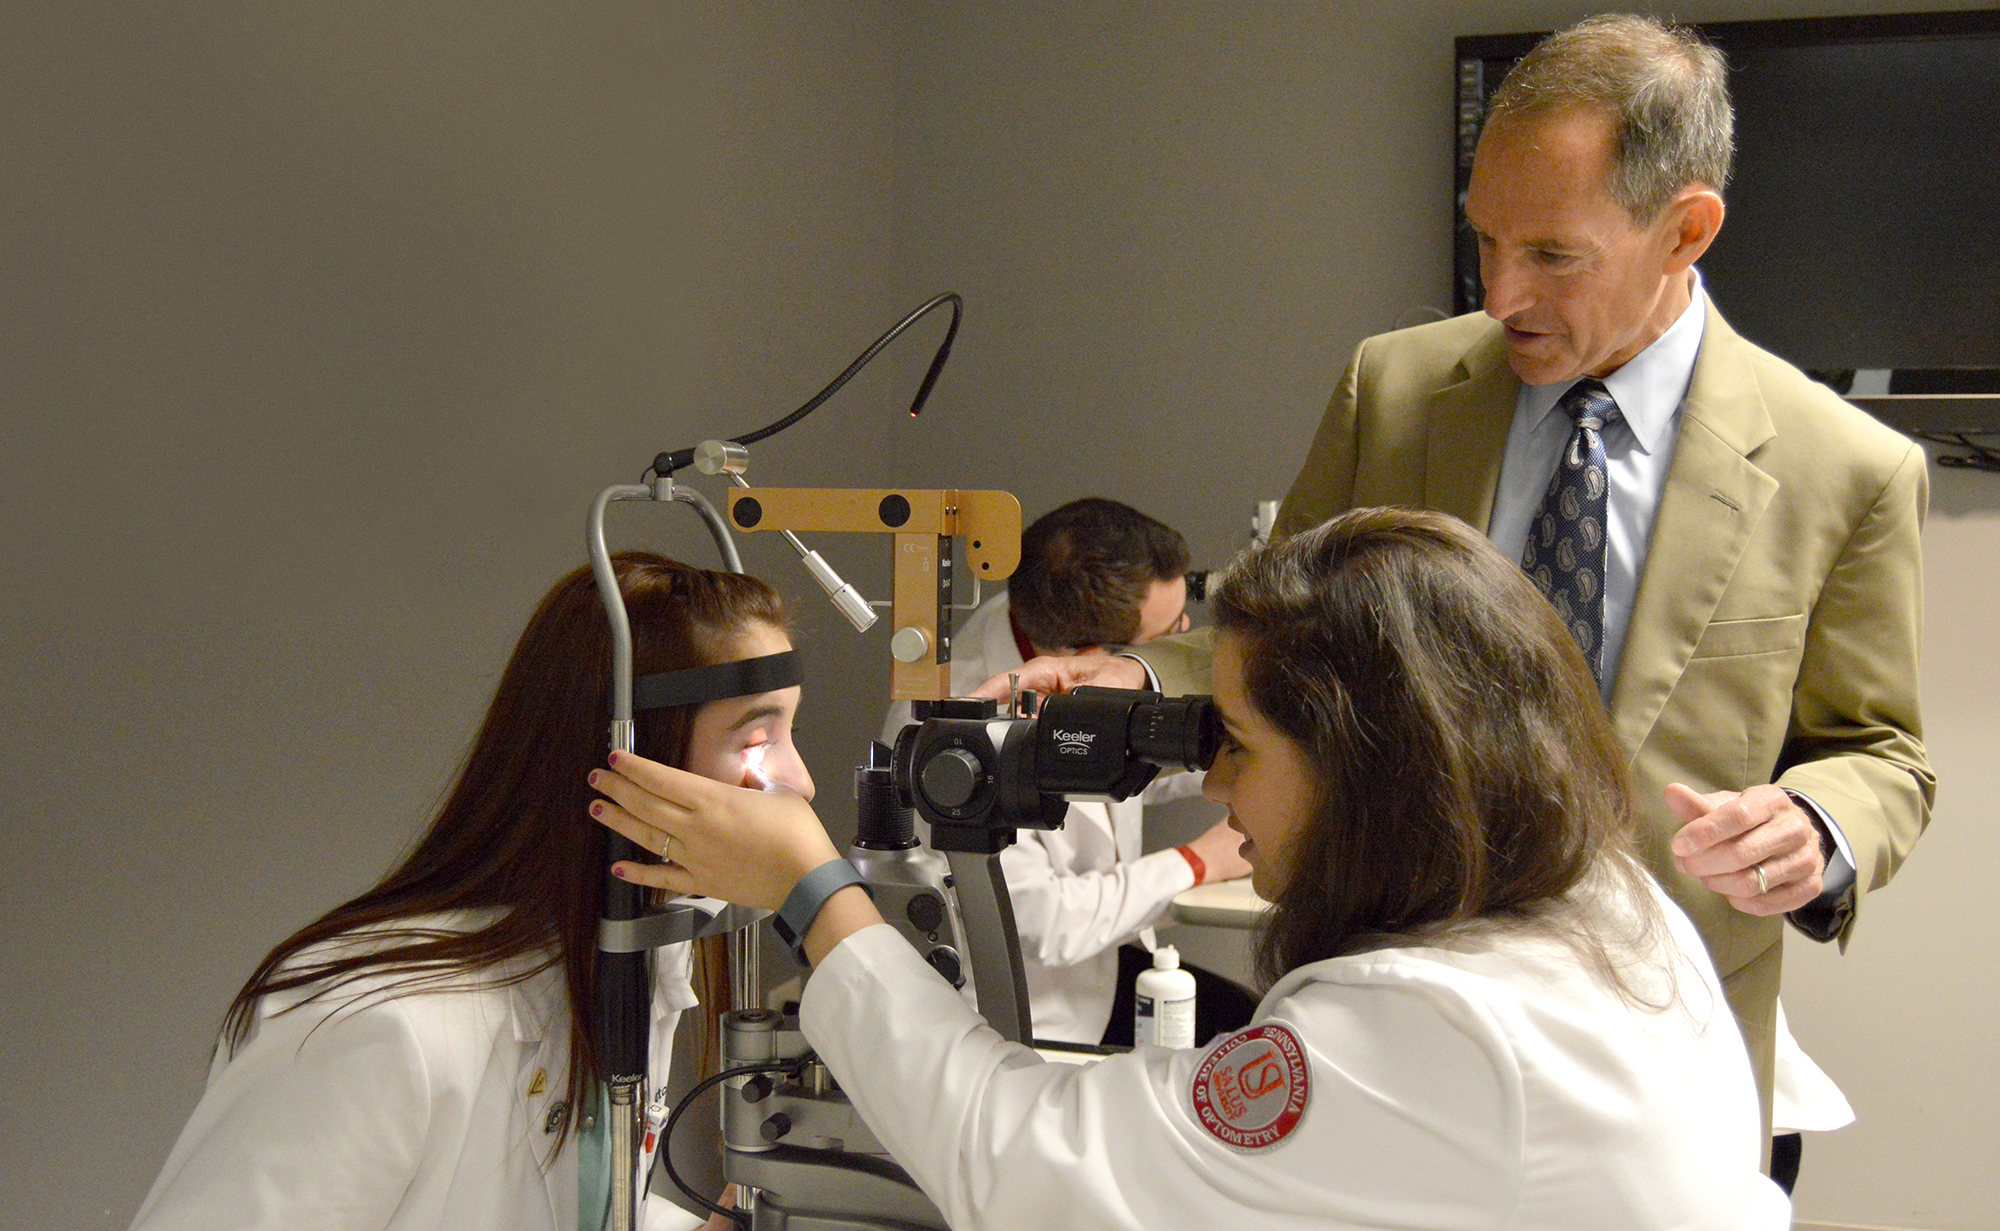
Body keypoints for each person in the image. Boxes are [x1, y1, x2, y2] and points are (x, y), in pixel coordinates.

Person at [982, 13, 1931, 1182]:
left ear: (1683, 229)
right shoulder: (1394, 388)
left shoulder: (1847, 469)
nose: (1499, 290)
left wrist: (1819, 825)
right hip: (1375, 1037)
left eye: (1551, 254)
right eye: (1482, 240)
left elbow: (1879, 754)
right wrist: (1131, 672)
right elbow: (1260, 628)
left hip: (1661, 1069)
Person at [592, 509, 1790, 1229]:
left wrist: (812, 889)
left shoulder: (1427, 1027)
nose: (1212, 785)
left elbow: (1018, 1159)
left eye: (1242, 747)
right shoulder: (1606, 899)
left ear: (1369, 769)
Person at [131, 553, 808, 1231]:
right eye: (757, 739)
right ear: (630, 758)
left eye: (790, 733)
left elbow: (577, 1199)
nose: (799, 784)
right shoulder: (377, 1029)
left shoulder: (632, 958)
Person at [880, 497, 1251, 1044]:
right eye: (1170, 633)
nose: (1188, 630)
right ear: (1095, 654)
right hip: (1015, 1018)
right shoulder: (963, 732)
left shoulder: (1032, 614)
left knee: (1246, 1018)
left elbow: (1113, 765)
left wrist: (1239, 753)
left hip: (1093, 977)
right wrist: (1199, 862)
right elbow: (1047, 921)